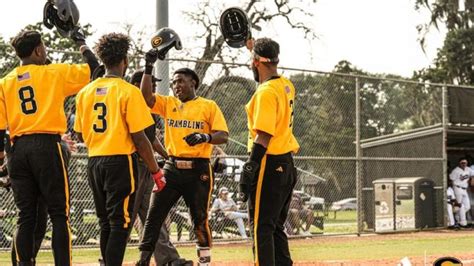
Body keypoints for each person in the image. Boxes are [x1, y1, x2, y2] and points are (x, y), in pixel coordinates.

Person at [0, 28, 97, 265]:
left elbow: (0, 130)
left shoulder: (4, 82)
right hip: (46, 146)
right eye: (43, 47)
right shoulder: (53, 72)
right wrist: (81, 42)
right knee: (59, 215)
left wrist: (3, 161)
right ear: (38, 50)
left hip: (18, 150)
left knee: (26, 216)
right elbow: (96, 70)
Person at [74, 33, 164, 266]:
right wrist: (155, 171)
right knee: (120, 224)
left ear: (102, 60)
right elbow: (141, 138)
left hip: (94, 162)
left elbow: (80, 133)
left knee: (105, 222)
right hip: (120, 162)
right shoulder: (128, 91)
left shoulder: (85, 92)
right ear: (124, 60)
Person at [137, 50, 229, 265]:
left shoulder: (208, 105)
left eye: (180, 81)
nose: (176, 86)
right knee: (153, 217)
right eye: (174, 83)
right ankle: (142, 261)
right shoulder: (169, 103)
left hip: (198, 169)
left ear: (193, 83)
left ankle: (204, 261)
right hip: (172, 167)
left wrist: (205, 136)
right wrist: (149, 66)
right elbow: (145, 98)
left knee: (199, 218)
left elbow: (223, 135)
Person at [239, 38, 300, 266]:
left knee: (261, 228)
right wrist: (253, 50)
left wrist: (250, 167)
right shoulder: (286, 85)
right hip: (286, 164)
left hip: (267, 162)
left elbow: (263, 136)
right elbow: (265, 73)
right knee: (274, 227)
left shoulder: (265, 92)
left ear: (256, 62)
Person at [129, 69, 192, 266]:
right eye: (150, 84)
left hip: (147, 168)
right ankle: (109, 258)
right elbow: (139, 141)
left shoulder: (149, 109)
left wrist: (168, 156)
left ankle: (167, 260)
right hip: (132, 168)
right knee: (125, 218)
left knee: (153, 216)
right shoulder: (129, 103)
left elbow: (152, 138)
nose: (153, 87)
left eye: (154, 84)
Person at [449, 157, 474, 228]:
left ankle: (457, 217)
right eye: (462, 163)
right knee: (459, 205)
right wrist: (452, 191)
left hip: (464, 189)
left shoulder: (468, 169)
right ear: (459, 163)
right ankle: (462, 222)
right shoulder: (455, 171)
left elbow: (472, 174)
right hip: (457, 188)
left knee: (467, 206)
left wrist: (472, 179)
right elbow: (451, 180)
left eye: (465, 163)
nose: (464, 164)